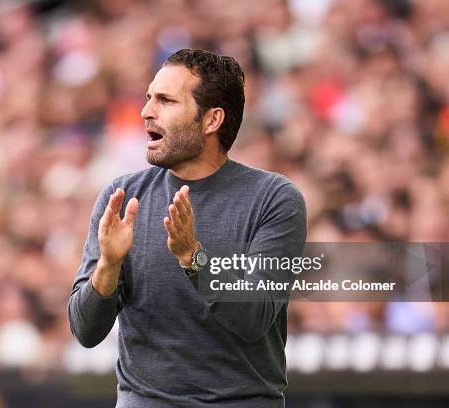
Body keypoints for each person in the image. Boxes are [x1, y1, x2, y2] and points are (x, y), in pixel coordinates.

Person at [68, 49, 306, 407]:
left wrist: (193, 258)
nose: (147, 111)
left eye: (165, 101)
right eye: (149, 98)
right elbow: (85, 331)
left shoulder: (274, 199)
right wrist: (108, 266)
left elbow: (254, 318)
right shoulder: (123, 197)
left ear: (211, 120)